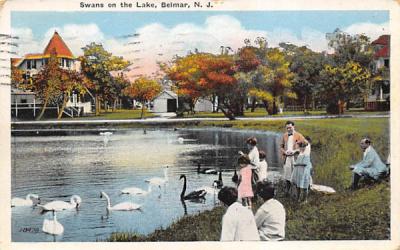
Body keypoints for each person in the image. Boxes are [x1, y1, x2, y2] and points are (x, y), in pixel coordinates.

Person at [280, 121, 305, 196]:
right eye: (287, 128)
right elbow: (281, 146)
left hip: (295, 158)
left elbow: (305, 146)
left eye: (290, 127)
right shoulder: (284, 135)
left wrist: (295, 151)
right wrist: (284, 152)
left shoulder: (299, 135)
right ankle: (287, 193)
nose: (288, 129)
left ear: (294, 127)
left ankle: (297, 194)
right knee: (287, 176)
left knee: (296, 176)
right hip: (287, 158)